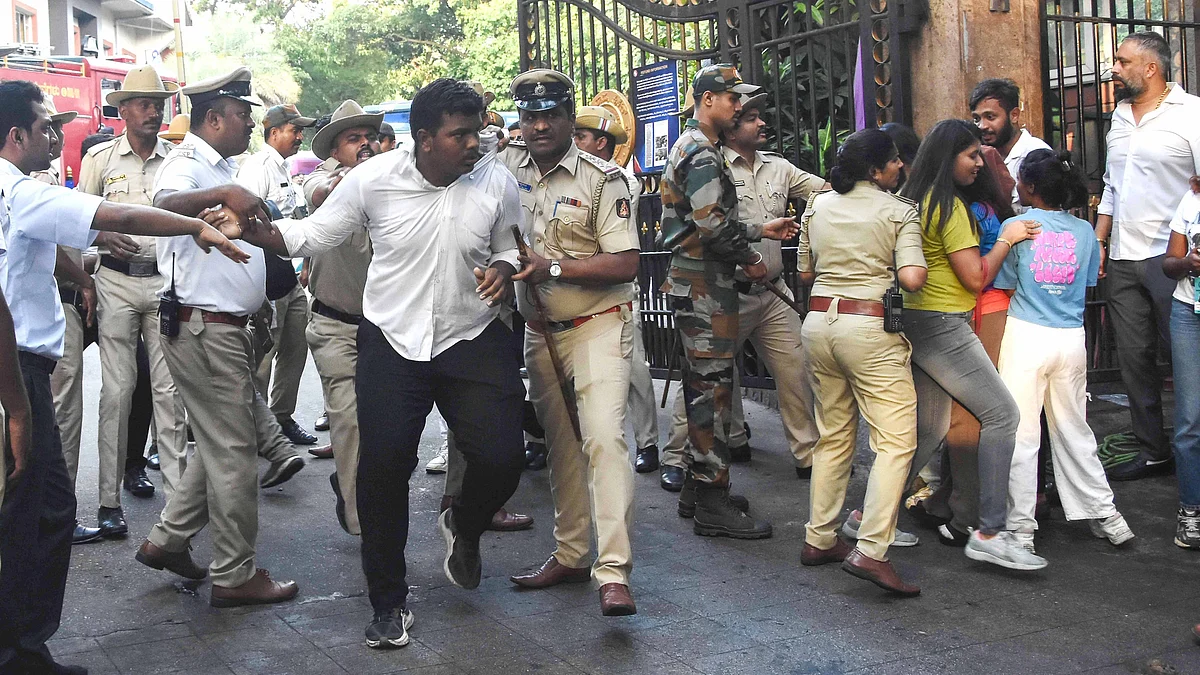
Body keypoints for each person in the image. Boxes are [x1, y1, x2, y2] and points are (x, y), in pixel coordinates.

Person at [244, 78, 527, 649]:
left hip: (470, 336)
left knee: (503, 457)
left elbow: (509, 244)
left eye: (477, 131)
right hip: (392, 342)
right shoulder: (373, 181)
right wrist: (261, 232)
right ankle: (388, 601)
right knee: (382, 471)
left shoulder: (496, 180)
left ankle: (463, 526)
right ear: (424, 139)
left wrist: (503, 264)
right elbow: (315, 235)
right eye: (461, 134)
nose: (475, 143)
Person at [0, 77, 246, 675]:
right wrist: (192, 225)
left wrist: (81, 276)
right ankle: (18, 650)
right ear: (15, 136)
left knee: (44, 511)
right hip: (14, 375)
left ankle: (24, 646)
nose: (55, 135)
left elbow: (59, 237)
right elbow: (110, 212)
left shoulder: (19, 194)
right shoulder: (18, 193)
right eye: (44, 126)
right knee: (28, 515)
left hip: (21, 370)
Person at [133, 67, 302, 609]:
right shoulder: (189, 164)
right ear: (213, 117)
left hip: (214, 327)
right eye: (243, 115)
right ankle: (235, 575)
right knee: (232, 451)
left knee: (216, 443)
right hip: (205, 327)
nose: (251, 124)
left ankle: (166, 540)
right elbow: (159, 207)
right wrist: (227, 190)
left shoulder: (218, 165)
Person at [500, 70, 640, 616]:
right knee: (560, 447)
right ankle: (572, 552)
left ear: (567, 118)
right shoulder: (502, 168)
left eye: (550, 115)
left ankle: (614, 572)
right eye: (529, 116)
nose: (538, 125)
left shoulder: (604, 180)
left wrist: (551, 266)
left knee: (604, 440)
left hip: (598, 324)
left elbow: (626, 262)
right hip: (539, 332)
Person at [898, 118, 1046, 570]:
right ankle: (990, 531)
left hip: (916, 320)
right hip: (945, 323)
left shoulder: (911, 200)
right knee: (1002, 414)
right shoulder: (948, 205)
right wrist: (1005, 238)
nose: (980, 163)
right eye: (972, 155)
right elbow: (977, 277)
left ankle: (869, 518)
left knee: (929, 430)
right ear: (949, 158)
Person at [659, 64, 798, 539]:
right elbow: (713, 226)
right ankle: (712, 500)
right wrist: (752, 256)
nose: (739, 106)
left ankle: (698, 489)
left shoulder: (695, 146)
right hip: (705, 286)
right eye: (732, 98)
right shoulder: (700, 151)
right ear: (706, 100)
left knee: (705, 387)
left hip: (699, 282)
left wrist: (761, 228)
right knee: (711, 393)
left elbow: (709, 217)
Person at [796, 128, 927, 596]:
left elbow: (805, 271)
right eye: (893, 161)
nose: (900, 167)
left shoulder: (818, 206)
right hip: (869, 329)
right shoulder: (899, 211)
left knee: (832, 434)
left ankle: (819, 537)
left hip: (819, 325)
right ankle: (871, 550)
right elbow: (912, 279)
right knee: (895, 440)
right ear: (876, 169)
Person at [996, 148, 1134, 556]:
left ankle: (1020, 530)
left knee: (1023, 434)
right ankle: (1108, 516)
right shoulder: (1085, 233)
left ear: (1031, 187)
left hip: (1025, 336)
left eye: (1020, 179)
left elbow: (1004, 283)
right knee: (1074, 429)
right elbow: (1088, 282)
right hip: (1071, 338)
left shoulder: (1017, 226)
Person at [79, 66, 190, 541]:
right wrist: (99, 239)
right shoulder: (101, 160)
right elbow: (75, 222)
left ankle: (179, 511)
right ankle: (108, 502)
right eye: (143, 103)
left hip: (164, 285)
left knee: (169, 396)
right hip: (117, 286)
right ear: (123, 111)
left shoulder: (176, 162)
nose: (153, 110)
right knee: (118, 393)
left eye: (158, 102)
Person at [1097, 31, 1200, 481]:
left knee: (1188, 360)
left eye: (1122, 61)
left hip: (1171, 260)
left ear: (1151, 68)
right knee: (1135, 361)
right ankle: (1153, 450)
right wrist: (1099, 243)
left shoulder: (1192, 114)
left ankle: (1191, 453)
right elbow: (1110, 187)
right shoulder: (1118, 117)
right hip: (1122, 257)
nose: (1114, 68)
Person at [300, 99, 384, 534]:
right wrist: (355, 179)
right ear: (334, 149)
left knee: (383, 427)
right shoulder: (321, 181)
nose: (365, 144)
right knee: (347, 421)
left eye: (369, 137)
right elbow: (320, 193)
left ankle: (360, 491)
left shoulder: (391, 182)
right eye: (354, 139)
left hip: (385, 329)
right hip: (334, 325)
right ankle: (360, 519)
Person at [572, 104, 661, 473]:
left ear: (602, 143)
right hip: (573, 286)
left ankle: (649, 441)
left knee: (634, 370)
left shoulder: (621, 180)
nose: (574, 143)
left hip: (613, 293)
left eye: (581, 137)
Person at [237, 103, 319, 447]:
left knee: (296, 349)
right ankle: (259, 432)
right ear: (274, 133)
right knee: (263, 360)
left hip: (288, 277)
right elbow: (247, 229)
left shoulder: (283, 168)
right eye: (294, 130)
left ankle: (281, 419)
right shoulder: (257, 168)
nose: (300, 136)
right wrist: (259, 292)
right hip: (267, 281)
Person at [1162, 169, 1200, 550]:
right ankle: (1191, 511)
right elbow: (1168, 264)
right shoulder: (1191, 201)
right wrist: (1188, 262)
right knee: (1189, 420)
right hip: (1188, 313)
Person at [969, 78, 1050, 214]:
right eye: (977, 119)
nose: (982, 126)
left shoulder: (1037, 154)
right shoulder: (976, 156)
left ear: (1014, 115)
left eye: (990, 117)